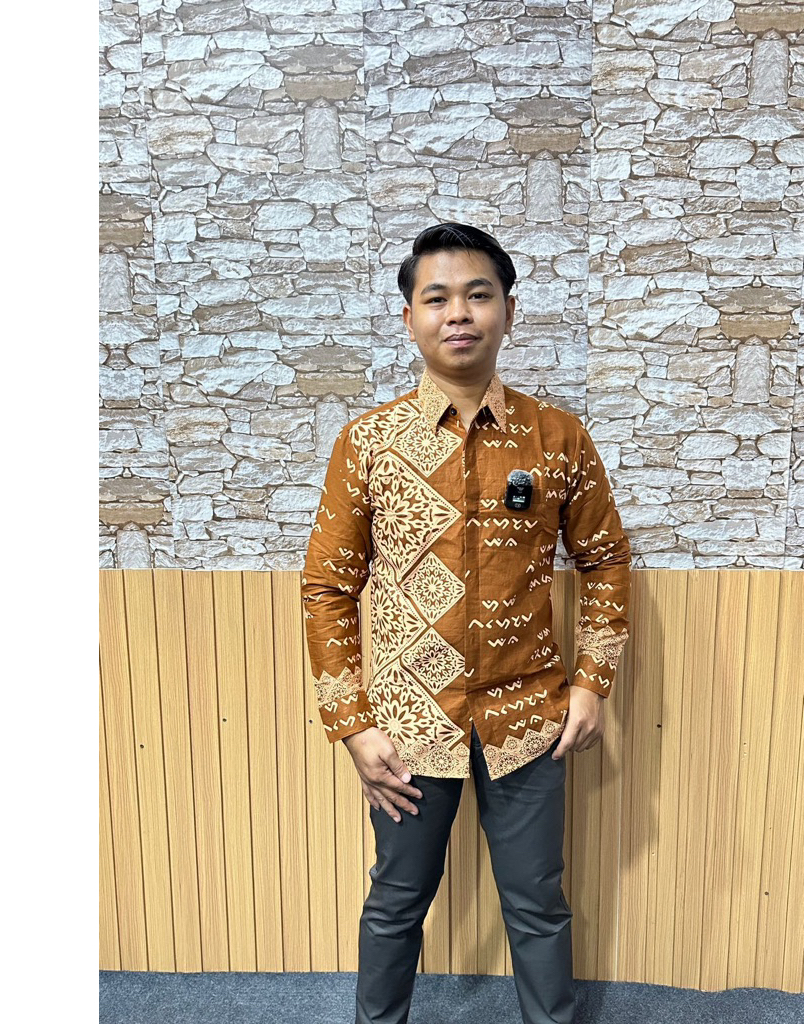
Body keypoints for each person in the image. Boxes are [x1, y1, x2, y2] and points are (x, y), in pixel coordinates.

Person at [301, 222, 631, 1024]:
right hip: (407, 723)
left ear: (508, 311)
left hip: (529, 716)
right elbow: (327, 588)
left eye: (478, 295)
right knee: (396, 901)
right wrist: (352, 726)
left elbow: (606, 561)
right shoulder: (369, 443)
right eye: (437, 298)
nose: (458, 313)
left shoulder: (558, 438)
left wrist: (592, 684)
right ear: (409, 317)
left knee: (539, 904)